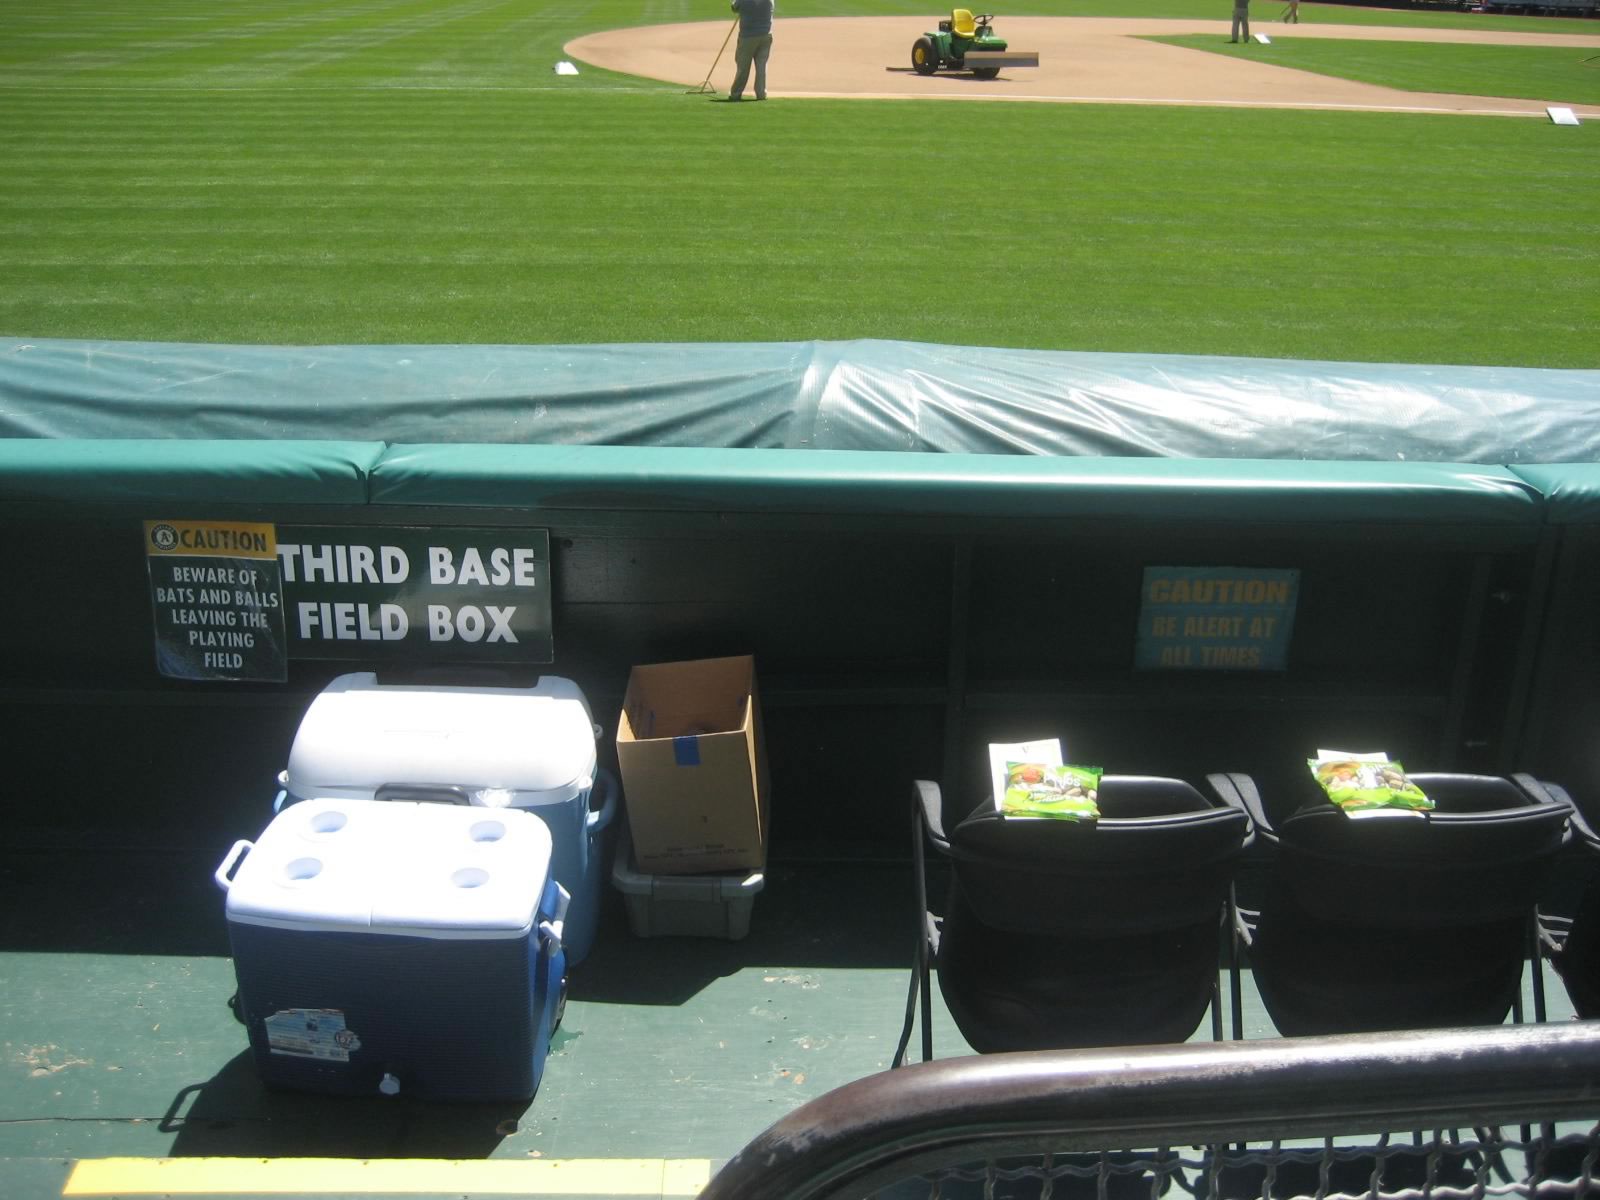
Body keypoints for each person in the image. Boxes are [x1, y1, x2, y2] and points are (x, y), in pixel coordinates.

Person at [728, 0, 774, 101]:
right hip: (766, 35)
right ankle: (761, 93)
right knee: (761, 66)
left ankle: (736, 93)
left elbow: (734, 8)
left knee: (743, 66)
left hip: (748, 37)